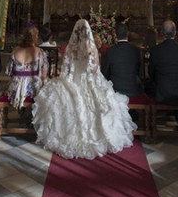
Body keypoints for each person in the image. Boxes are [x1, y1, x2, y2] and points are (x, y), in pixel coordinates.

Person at [32, 19, 136, 159]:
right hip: (89, 82)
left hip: (73, 82)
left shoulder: (71, 48)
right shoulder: (92, 49)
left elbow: (65, 70)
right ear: (88, 33)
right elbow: (95, 71)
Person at [147, 20, 178, 111]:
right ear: (175, 33)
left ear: (162, 33)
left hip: (162, 93)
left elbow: (151, 72)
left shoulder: (155, 50)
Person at [4, 25, 48, 112]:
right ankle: (34, 116)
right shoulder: (41, 53)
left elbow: (8, 72)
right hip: (33, 89)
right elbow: (44, 75)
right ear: (35, 37)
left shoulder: (15, 51)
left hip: (14, 89)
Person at [102, 22, 143, 97]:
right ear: (128, 34)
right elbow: (141, 73)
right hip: (133, 89)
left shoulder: (110, 51)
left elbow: (104, 73)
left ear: (116, 35)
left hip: (115, 90)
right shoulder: (136, 50)